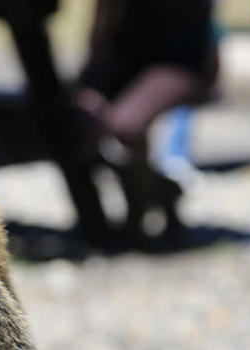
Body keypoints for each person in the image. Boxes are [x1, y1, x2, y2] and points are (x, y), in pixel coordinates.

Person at [75, 0, 219, 241]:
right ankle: (153, 196)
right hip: (126, 59)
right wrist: (90, 78)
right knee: (75, 120)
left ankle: (144, 204)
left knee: (125, 125)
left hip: (181, 60)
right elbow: (104, 19)